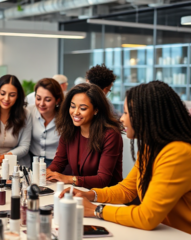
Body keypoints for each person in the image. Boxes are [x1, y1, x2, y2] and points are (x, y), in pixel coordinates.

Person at [60, 81, 191, 234]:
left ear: (146, 116)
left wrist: (96, 210)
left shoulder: (178, 153)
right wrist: (90, 194)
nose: (122, 119)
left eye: (127, 113)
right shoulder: (151, 148)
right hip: (161, 233)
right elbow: (127, 190)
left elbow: (147, 216)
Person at [46, 83, 123, 189]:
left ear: (96, 110)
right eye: (72, 106)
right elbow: (59, 162)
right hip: (81, 191)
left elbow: (102, 179)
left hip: (106, 196)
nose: (75, 112)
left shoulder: (110, 135)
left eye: (82, 108)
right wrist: (48, 172)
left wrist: (69, 179)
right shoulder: (70, 129)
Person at [0, 74, 32, 168]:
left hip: (16, 164)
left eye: (12, 95)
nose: (6, 99)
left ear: (18, 96)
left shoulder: (26, 114)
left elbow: (24, 147)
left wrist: (5, 157)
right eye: (2, 94)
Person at [27, 78, 64, 167]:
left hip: (57, 163)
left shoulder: (65, 117)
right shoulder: (29, 111)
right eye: (38, 98)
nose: (41, 104)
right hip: (32, 161)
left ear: (57, 100)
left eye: (47, 100)